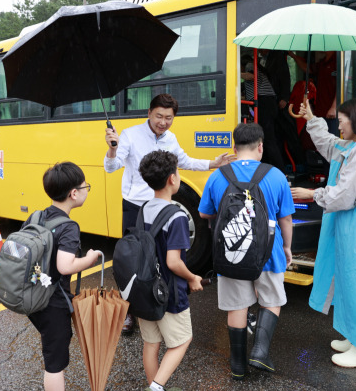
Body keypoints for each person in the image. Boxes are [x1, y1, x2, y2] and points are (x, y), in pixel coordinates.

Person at [104, 93, 232, 333]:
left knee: (161, 260)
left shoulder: (170, 138)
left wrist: (212, 164)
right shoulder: (130, 135)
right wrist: (112, 149)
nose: (163, 122)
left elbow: (182, 160)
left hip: (160, 206)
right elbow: (112, 167)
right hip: (135, 206)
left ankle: (156, 302)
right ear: (149, 113)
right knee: (134, 261)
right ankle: (128, 312)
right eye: (159, 116)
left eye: (169, 118)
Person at [290, 98, 356, 368]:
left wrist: (312, 194)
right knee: (348, 279)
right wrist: (311, 118)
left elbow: (345, 194)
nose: (340, 125)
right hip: (352, 225)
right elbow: (331, 144)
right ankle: (354, 338)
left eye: (342, 121)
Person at [198, 123, 294, 380]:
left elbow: (204, 213)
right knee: (271, 300)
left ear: (234, 147)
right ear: (260, 146)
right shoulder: (275, 175)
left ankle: (238, 366)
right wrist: (286, 247)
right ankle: (260, 352)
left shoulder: (218, 176)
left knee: (237, 306)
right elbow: (285, 219)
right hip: (268, 253)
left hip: (231, 253)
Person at [0, 162, 99, 390]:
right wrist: (90, 259)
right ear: (73, 193)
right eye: (85, 186)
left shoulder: (36, 216)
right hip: (53, 302)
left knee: (51, 350)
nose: (86, 190)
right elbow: (65, 266)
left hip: (32, 296)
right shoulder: (69, 227)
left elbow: (16, 254)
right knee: (54, 364)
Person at [137, 150, 203, 391]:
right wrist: (193, 277)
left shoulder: (144, 209)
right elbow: (174, 262)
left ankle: (155, 385)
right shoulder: (176, 216)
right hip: (169, 291)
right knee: (182, 340)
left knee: (151, 343)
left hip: (145, 289)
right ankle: (156, 387)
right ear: (172, 179)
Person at [241, 54, 286, 171]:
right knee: (266, 138)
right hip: (267, 103)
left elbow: (251, 77)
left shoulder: (249, 65)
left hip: (263, 103)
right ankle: (271, 168)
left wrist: (233, 73)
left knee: (268, 140)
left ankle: (281, 172)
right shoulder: (256, 68)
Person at [288, 51, 339, 136]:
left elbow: (341, 86)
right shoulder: (323, 62)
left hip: (332, 113)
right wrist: (293, 56)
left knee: (332, 141)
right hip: (320, 110)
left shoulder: (339, 61)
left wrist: (334, 107)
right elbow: (308, 69)